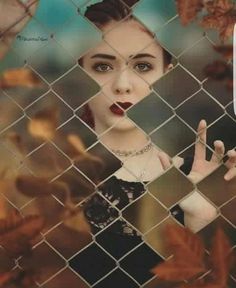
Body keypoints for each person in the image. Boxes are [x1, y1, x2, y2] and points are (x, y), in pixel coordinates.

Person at [1, 0, 236, 286]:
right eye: (102, 66)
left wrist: (200, 223)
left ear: (167, 70)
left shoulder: (197, 173)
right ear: (80, 70)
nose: (122, 84)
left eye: (142, 65)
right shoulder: (43, 171)